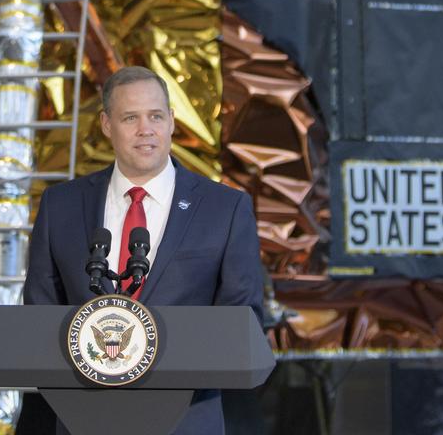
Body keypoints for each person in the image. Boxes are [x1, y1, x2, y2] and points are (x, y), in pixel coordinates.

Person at [21, 65, 264, 435]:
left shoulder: (225, 209)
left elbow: (241, 320)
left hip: (185, 421)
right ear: (106, 124)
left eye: (155, 116)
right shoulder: (61, 205)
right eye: (130, 117)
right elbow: (40, 314)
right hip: (81, 420)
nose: (145, 130)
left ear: (170, 121)